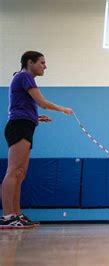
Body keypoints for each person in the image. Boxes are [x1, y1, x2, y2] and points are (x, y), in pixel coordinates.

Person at [1, 51, 73, 229]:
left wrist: (36, 117)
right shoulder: (25, 76)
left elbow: (22, 105)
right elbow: (41, 101)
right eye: (41, 62)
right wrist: (62, 108)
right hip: (19, 126)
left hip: (25, 124)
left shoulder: (22, 78)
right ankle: (8, 216)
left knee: (20, 173)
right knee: (13, 171)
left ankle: (17, 215)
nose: (45, 66)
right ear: (29, 62)